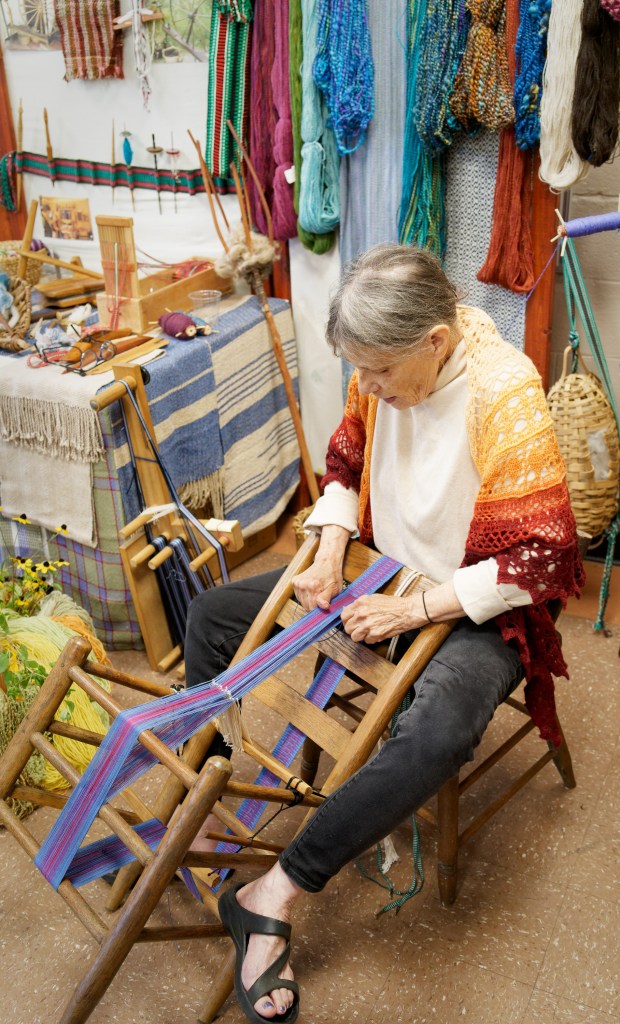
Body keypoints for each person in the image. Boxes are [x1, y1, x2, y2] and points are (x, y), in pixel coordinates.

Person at [184, 243, 584, 1024]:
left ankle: (278, 890)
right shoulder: (389, 365)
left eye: (376, 374)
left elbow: (540, 560)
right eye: (357, 371)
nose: (362, 388)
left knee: (437, 734)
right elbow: (344, 461)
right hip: (377, 574)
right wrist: (332, 540)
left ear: (434, 342)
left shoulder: (505, 392)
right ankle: (209, 792)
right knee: (210, 615)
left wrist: (416, 608)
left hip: (474, 606)